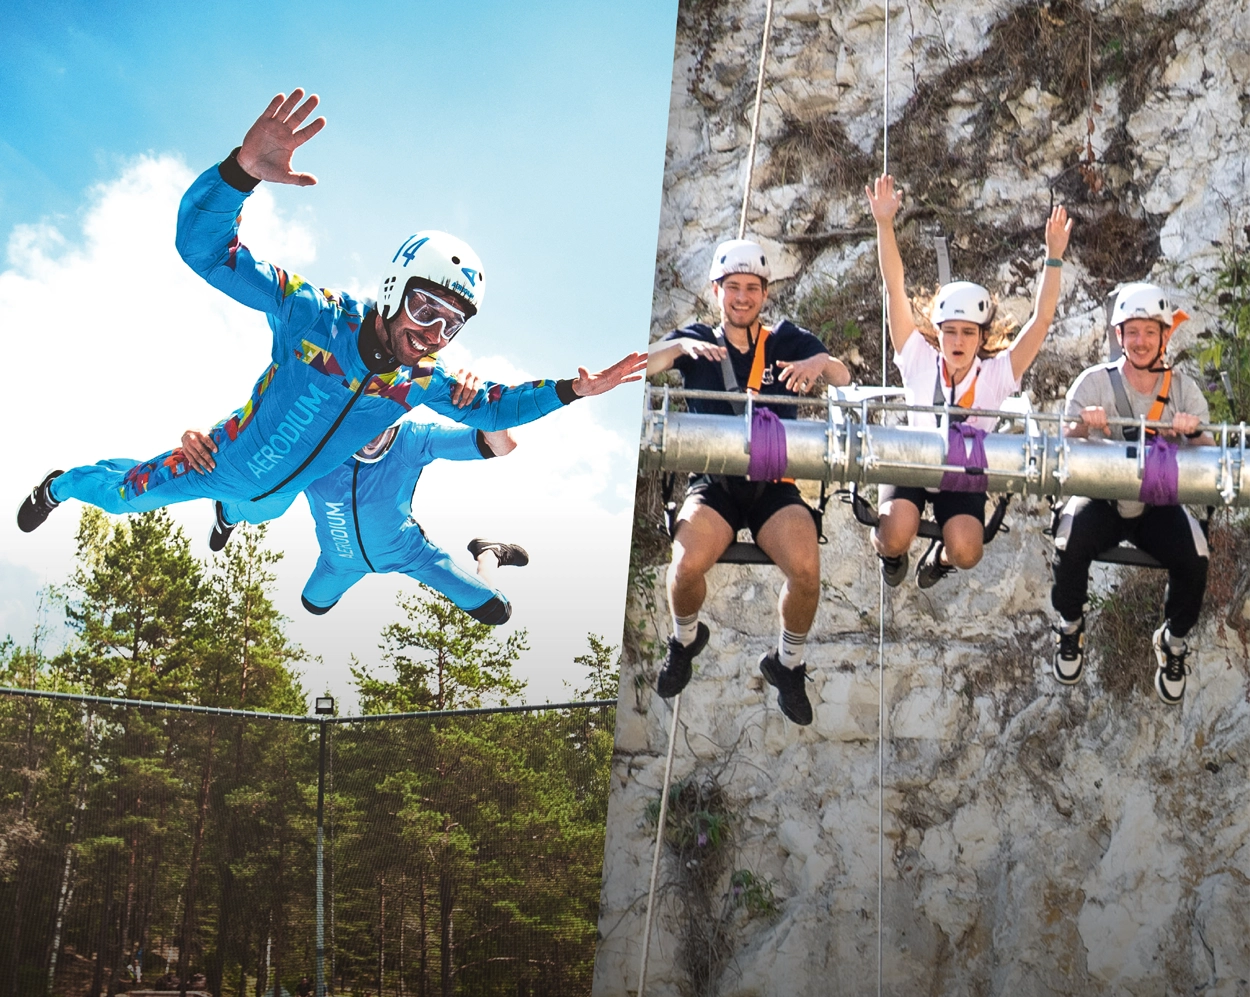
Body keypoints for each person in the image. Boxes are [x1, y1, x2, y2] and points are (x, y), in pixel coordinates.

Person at [17, 89, 645, 539]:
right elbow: (202, 252)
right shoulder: (312, 313)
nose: (431, 333)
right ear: (394, 288)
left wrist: (572, 389)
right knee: (124, 498)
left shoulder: (421, 380)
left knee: (256, 510)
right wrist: (239, 175)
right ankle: (58, 485)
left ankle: (228, 517)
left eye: (450, 323)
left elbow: (498, 407)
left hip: (274, 497)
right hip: (222, 460)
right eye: (426, 306)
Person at [646, 239, 852, 725]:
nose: (742, 297)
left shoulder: (785, 340)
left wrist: (820, 363)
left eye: (752, 288)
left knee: (806, 570)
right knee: (685, 565)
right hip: (716, 484)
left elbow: (843, 376)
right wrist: (676, 348)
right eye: (733, 287)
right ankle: (685, 638)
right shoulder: (697, 339)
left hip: (772, 485)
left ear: (764, 293)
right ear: (717, 291)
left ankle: (788, 664)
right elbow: (640, 366)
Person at [864, 174, 1072, 588]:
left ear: (982, 337)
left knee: (967, 551)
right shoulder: (918, 357)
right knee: (896, 533)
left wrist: (1054, 258)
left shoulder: (996, 375)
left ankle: (938, 558)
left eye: (968, 333)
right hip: (916, 459)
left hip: (964, 472)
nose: (958, 341)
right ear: (937, 332)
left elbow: (1041, 321)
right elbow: (894, 287)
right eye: (950, 331)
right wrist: (884, 224)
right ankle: (891, 553)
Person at [1050, 283, 1212, 703]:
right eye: (1132, 332)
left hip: (1156, 502)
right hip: (1103, 496)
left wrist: (1192, 432)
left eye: (1149, 332)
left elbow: (1209, 453)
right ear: (1119, 336)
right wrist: (1086, 424)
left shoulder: (1182, 391)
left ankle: (1173, 641)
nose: (1140, 341)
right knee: (1069, 540)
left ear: (1163, 336)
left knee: (1196, 557)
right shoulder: (1094, 384)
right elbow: (1064, 440)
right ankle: (1070, 625)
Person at [300, 419, 527, 621]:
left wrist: (486, 407)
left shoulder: (411, 440)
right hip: (340, 561)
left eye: (381, 428)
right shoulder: (312, 446)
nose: (371, 442)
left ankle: (489, 554)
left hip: (408, 554)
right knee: (314, 605)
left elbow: (500, 445)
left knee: (495, 611)